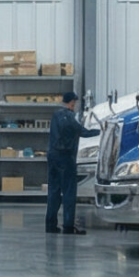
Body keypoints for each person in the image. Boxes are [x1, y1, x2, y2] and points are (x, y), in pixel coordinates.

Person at [46, 91, 86, 235]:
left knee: (53, 192)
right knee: (69, 193)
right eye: (75, 103)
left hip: (52, 157)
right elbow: (83, 132)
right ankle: (68, 226)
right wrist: (101, 130)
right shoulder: (69, 117)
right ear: (72, 102)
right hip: (66, 158)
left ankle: (50, 225)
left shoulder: (55, 115)